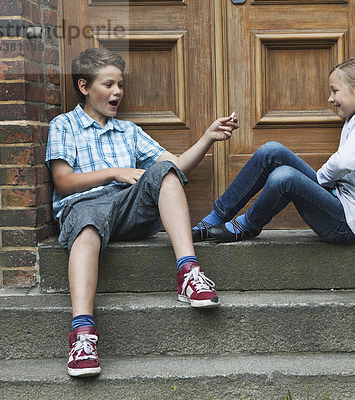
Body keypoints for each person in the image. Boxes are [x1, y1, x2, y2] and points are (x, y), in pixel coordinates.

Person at [46, 48, 237, 377]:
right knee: (88, 226)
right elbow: (63, 182)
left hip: (127, 208)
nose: (117, 92)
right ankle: (82, 336)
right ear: (84, 86)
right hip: (84, 207)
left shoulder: (128, 131)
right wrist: (115, 172)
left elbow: (174, 165)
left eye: (120, 85)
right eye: (108, 84)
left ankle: (188, 273)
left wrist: (207, 138)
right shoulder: (64, 125)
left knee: (165, 173)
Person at [192, 58, 355, 245]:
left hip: (348, 224)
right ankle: (215, 219)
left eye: (335, 91)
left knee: (285, 177)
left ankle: (248, 224)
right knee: (271, 151)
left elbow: (344, 163)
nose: (330, 98)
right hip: (339, 200)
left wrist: (317, 181)